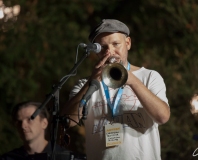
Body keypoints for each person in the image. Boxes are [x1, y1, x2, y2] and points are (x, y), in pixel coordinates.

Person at [62, 19, 170, 160]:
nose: (110, 52)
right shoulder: (85, 84)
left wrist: (133, 81)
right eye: (103, 47)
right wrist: (91, 82)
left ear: (128, 43)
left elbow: (162, 116)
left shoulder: (149, 76)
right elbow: (68, 121)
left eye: (115, 44)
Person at [0, 101, 71, 160]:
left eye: (30, 119)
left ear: (44, 123)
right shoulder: (8, 158)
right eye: (19, 122)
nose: (23, 126)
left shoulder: (63, 157)